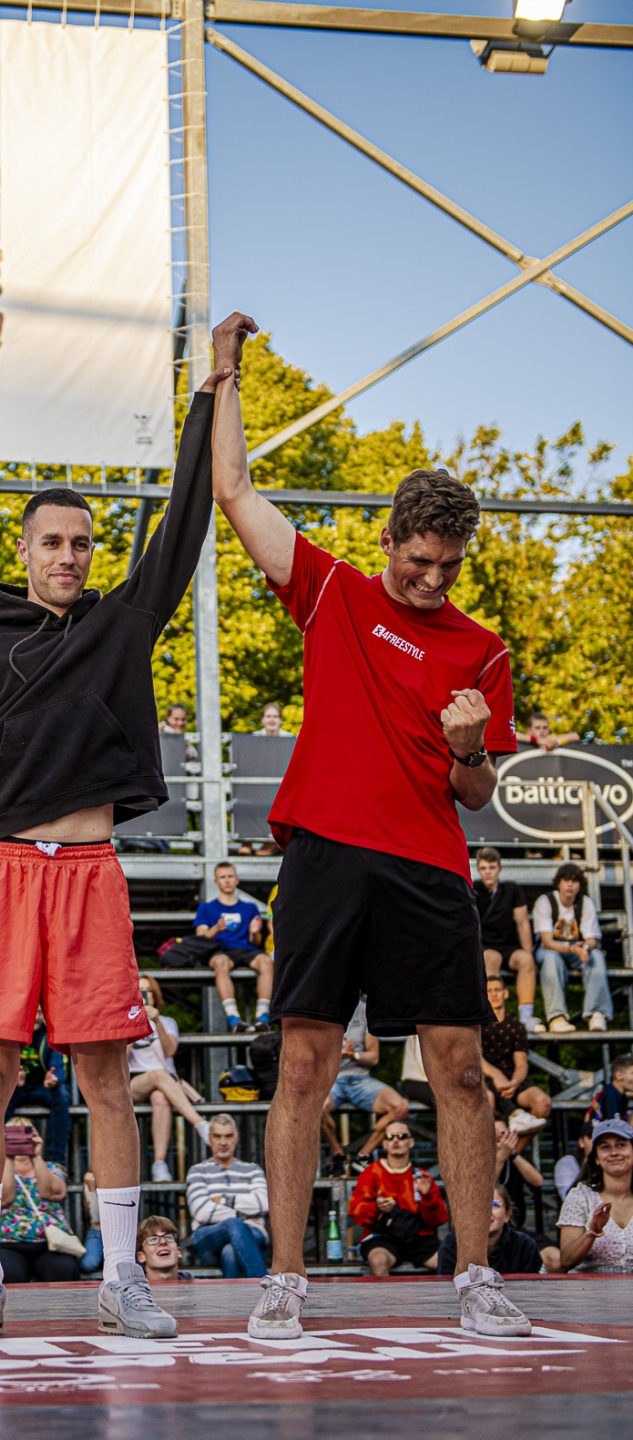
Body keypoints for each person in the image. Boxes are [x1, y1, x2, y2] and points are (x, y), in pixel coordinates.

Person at [0, 333, 238, 1342]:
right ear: (23, 552)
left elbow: (186, 522)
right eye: (52, 542)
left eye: (82, 543)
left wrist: (210, 397)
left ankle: (122, 1277)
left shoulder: (122, 624)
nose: (69, 556)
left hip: (90, 875)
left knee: (108, 1080)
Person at [210, 310, 531, 1338]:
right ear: (387, 540)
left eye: (450, 565)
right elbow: (235, 491)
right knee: (303, 1066)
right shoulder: (334, 593)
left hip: (429, 866)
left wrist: (470, 748)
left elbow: (476, 795)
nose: (433, 579)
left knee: (459, 1071)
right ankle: (285, 1281)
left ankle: (475, 1277)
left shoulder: (483, 650)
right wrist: (224, 375)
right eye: (420, 559)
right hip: (327, 855)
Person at [128, 975, 210, 1183]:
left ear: (155, 996)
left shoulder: (167, 1022)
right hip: (134, 1081)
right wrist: (134, 1023)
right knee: (157, 1075)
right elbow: (121, 1057)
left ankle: (159, 1164)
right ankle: (200, 1124)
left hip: (163, 1084)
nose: (144, 995)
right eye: (140, 990)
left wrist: (156, 1022)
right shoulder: (125, 1020)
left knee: (160, 1098)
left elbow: (170, 1051)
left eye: (147, 991)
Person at [321, 1000, 410, 1179]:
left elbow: (374, 1057)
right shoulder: (322, 1008)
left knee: (400, 1106)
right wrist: (336, 1055)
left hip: (361, 1079)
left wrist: (352, 1055)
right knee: (316, 1108)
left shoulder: (364, 1010)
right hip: (331, 1079)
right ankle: (339, 1155)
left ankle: (364, 1155)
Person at [348, 1126, 449, 1275]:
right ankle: (385, 1293)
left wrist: (427, 1197)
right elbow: (356, 1214)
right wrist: (376, 1207)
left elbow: (439, 1220)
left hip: (418, 1238)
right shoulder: (371, 1173)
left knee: (448, 1259)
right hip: (382, 1237)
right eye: (390, 1137)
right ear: (384, 1144)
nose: (395, 1140)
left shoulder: (421, 1176)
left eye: (401, 1136)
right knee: (378, 1260)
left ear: (411, 1142)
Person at [0, 1117, 81, 1285]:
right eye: (13, 1135)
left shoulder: (52, 1168)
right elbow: (4, 1199)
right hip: (8, 1244)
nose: (19, 1139)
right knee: (8, 1274)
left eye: (25, 1133)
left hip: (51, 1244)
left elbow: (53, 1193)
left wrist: (36, 1156)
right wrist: (7, 1158)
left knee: (64, 1271)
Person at [191, 861, 273, 1031]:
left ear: (237, 880)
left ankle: (262, 1017)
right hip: (220, 950)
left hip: (246, 950)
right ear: (216, 882)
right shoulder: (206, 907)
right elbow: (200, 937)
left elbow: (256, 942)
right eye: (223, 877)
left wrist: (255, 932)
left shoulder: (250, 908)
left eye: (230, 876)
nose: (227, 880)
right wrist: (216, 929)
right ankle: (233, 1018)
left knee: (266, 962)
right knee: (220, 963)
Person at [184, 1114, 269, 1278]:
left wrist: (225, 1201)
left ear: (236, 1138)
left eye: (228, 1136)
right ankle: (263, 1284)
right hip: (208, 1237)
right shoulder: (198, 1171)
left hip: (253, 1234)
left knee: (230, 1252)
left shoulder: (252, 1170)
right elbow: (201, 1212)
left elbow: (264, 1203)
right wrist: (242, 1214)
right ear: (209, 1138)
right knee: (233, 1224)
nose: (223, 1142)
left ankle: (245, 1294)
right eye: (217, 1136)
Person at [534, 862, 613, 1033]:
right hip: (551, 951)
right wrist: (572, 949)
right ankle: (556, 1017)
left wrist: (584, 948)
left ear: (580, 885)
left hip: (576, 951)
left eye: (574, 881)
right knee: (550, 959)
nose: (570, 885)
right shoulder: (546, 901)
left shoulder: (585, 903)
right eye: (566, 880)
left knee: (597, 956)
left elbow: (592, 939)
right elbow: (547, 942)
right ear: (558, 883)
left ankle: (596, 1013)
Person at [473, 847, 540, 1032]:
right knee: (490, 959)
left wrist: (529, 952)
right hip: (487, 947)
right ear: (478, 870)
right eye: (483, 868)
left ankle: (526, 1016)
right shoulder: (473, 890)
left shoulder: (512, 889)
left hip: (510, 947)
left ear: (500, 868)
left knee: (526, 960)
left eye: (492, 867)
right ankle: (492, 1018)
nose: (488, 872)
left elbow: (522, 923)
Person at [557, 1117, 633, 1273]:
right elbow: (566, 1260)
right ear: (597, 1158)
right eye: (605, 1147)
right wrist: (592, 1232)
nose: (614, 1153)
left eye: (621, 1145)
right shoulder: (580, 1196)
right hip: (591, 1286)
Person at [5, 1006, 72, 1167]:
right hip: (18, 1088)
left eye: (40, 1013)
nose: (36, 1017)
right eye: (32, 1012)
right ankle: (4, 1158)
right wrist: (12, 1077)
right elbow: (2, 1064)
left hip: (43, 1088)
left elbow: (58, 1064)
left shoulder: (50, 1035)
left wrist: (54, 1078)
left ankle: (57, 1161)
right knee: (1, 1097)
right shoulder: (12, 1034)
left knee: (61, 1095)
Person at [481, 977, 551, 1133]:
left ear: (505, 993)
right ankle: (512, 1120)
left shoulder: (516, 1026)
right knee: (487, 1100)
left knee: (543, 1103)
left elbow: (521, 1063)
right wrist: (496, 1075)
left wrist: (514, 1082)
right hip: (485, 1079)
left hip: (511, 1079)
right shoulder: (477, 1025)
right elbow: (473, 1058)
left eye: (498, 990)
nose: (494, 994)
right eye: (489, 991)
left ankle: (515, 1148)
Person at [493, 1119, 560, 1271]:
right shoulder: (476, 1159)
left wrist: (513, 1153)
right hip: (488, 1232)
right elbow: (486, 1188)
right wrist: (500, 1157)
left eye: (503, 1133)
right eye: (494, 1134)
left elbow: (537, 1181)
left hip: (516, 1228)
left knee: (555, 1259)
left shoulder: (514, 1158)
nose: (500, 1138)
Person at [437, 1185, 541, 1276]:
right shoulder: (452, 1243)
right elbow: (445, 1286)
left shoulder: (525, 1245)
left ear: (507, 1215)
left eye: (494, 1205)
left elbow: (534, 1286)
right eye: (478, 1205)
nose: (486, 1212)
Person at [137, 1216, 194, 1284]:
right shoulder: (131, 1289)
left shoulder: (199, 1288)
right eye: (153, 1239)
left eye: (168, 1237)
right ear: (141, 1256)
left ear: (179, 1251)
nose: (163, 1241)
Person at [584, 1053, 633, 1127]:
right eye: (632, 1073)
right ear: (619, 1075)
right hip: (598, 1133)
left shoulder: (612, 1090)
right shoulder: (612, 1095)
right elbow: (613, 1127)